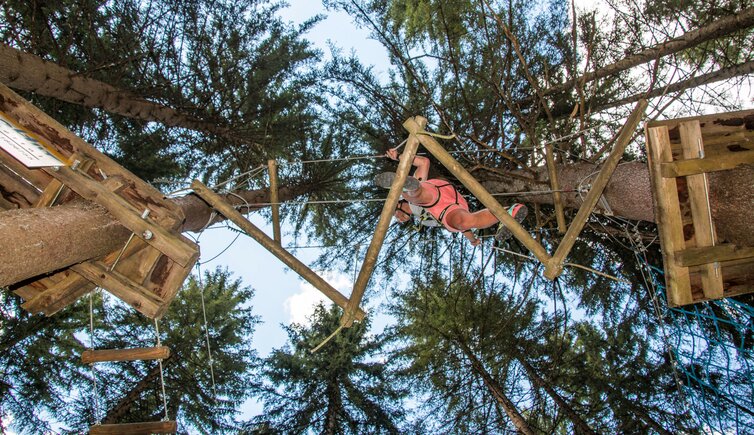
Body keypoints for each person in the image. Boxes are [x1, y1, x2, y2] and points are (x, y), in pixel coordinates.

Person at [376, 148, 527, 246]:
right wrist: (472, 240)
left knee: (417, 195)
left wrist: (398, 157)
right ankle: (510, 212)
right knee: (464, 222)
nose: (399, 219)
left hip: (433, 193)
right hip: (451, 210)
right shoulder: (424, 221)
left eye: (395, 215)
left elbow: (424, 162)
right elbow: (463, 228)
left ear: (398, 205)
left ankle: (407, 186)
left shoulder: (410, 201)